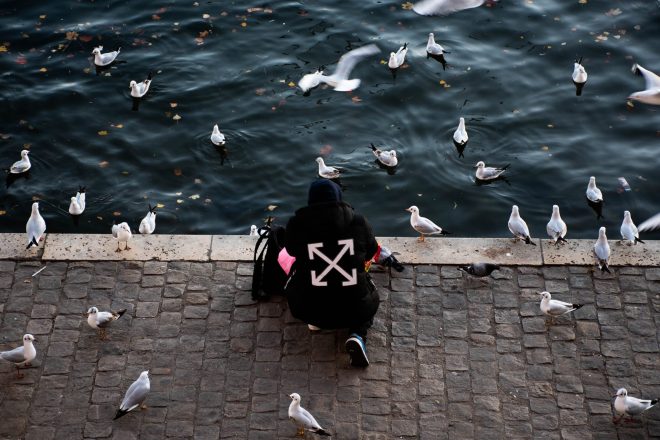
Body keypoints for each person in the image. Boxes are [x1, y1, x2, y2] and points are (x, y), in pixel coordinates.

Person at [283, 179, 380, 367]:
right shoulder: (359, 222)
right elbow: (370, 252)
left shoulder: (296, 225)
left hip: (309, 309)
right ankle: (358, 334)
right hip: (354, 308)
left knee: (296, 275)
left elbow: (291, 251)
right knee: (366, 296)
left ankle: (315, 323)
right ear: (339, 198)